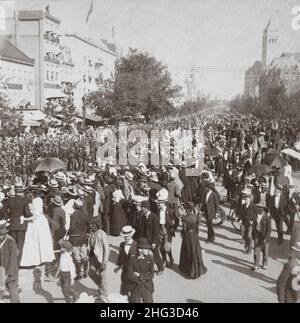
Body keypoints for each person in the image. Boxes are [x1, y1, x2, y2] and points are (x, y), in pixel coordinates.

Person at [20, 197, 55, 267]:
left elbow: (35, 217)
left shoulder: (36, 205)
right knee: (38, 242)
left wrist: (25, 219)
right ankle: (38, 259)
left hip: (37, 224)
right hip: (40, 224)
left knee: (34, 241)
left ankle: (35, 260)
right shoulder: (39, 205)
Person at [1, 184, 31, 264]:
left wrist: (8, 217)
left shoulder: (10, 200)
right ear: (21, 191)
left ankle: (11, 263)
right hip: (21, 226)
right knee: (20, 246)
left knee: (12, 245)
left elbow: (2, 210)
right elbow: (27, 214)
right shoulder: (24, 200)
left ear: (15, 190)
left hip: (12, 225)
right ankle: (17, 265)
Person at [179, 202, 208, 279]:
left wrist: (182, 233)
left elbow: (184, 229)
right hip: (195, 235)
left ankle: (189, 270)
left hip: (188, 236)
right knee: (196, 251)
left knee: (188, 251)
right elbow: (197, 227)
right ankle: (197, 269)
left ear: (187, 210)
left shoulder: (184, 218)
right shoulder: (196, 217)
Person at [87, 217, 110, 302]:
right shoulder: (92, 233)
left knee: (102, 276)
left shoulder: (102, 234)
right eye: (90, 224)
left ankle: (104, 295)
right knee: (91, 272)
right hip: (93, 258)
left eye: (92, 225)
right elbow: (90, 246)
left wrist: (104, 262)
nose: (90, 226)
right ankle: (101, 287)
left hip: (100, 259)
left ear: (97, 226)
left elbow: (107, 249)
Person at [127, 237, 155, 303]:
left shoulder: (150, 259)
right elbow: (129, 274)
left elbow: (151, 274)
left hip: (147, 286)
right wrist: (137, 280)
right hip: (135, 285)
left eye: (148, 249)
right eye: (146, 249)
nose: (148, 250)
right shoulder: (132, 259)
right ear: (140, 250)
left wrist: (140, 275)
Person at [141, 200, 164, 275]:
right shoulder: (143, 216)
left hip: (153, 240)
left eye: (143, 208)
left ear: (147, 208)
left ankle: (161, 269)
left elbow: (156, 231)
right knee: (145, 254)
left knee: (156, 254)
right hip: (146, 239)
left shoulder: (154, 217)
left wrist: (154, 242)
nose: (142, 209)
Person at [114, 225, 138, 299]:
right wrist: (118, 266)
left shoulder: (136, 245)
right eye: (125, 236)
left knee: (134, 292)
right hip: (125, 272)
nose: (126, 238)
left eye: (128, 236)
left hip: (134, 272)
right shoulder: (122, 245)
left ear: (131, 235)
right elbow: (121, 257)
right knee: (123, 292)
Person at [0, 220, 20, 303]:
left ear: (7, 231)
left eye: (2, 234)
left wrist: (8, 273)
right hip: (1, 270)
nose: (1, 236)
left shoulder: (11, 242)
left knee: (12, 290)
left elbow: (13, 260)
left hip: (10, 272)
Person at [68, 200, 88, 280]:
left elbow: (72, 228)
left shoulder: (74, 215)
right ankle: (85, 272)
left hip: (75, 238)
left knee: (77, 257)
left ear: (75, 206)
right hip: (83, 237)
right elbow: (88, 223)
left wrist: (69, 233)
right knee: (84, 256)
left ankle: (79, 274)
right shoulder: (84, 214)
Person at [252, 201, 271, 271]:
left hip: (264, 237)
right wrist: (253, 235)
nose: (259, 209)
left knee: (265, 252)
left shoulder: (267, 217)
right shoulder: (255, 216)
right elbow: (254, 226)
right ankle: (256, 264)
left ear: (263, 208)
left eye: (260, 207)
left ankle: (265, 263)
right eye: (258, 207)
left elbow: (269, 229)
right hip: (257, 235)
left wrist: (266, 238)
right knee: (256, 251)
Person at [240, 190, 257, 254]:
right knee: (244, 235)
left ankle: (250, 249)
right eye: (246, 199)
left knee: (249, 236)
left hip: (250, 223)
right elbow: (241, 213)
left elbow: (256, 214)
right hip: (244, 222)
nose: (246, 200)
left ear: (250, 199)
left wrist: (252, 220)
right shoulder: (243, 205)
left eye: (248, 199)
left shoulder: (253, 206)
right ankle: (246, 247)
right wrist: (240, 219)